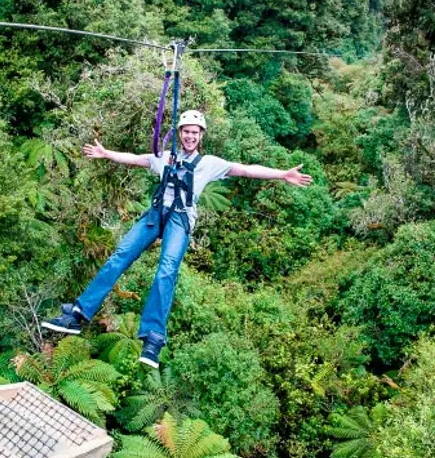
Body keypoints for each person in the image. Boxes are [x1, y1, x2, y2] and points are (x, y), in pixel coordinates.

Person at [42, 110, 312, 367]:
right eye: (186, 132)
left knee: (166, 271)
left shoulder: (209, 164)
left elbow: (246, 169)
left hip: (180, 220)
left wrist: (282, 174)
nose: (190, 137)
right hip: (156, 214)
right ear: (180, 133)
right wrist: (106, 154)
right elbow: (136, 158)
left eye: (195, 133)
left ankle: (153, 337)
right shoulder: (165, 157)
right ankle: (78, 314)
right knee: (120, 256)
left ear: (201, 135)